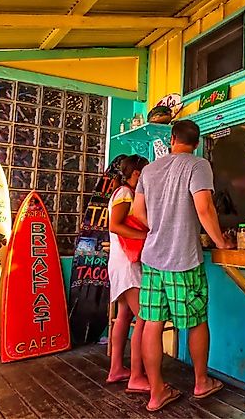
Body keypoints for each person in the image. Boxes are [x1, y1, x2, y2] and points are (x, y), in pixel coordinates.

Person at [132, 119, 233, 412]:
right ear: (197, 143)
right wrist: (221, 242)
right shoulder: (198, 165)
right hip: (182, 259)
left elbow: (138, 212)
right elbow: (204, 208)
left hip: (152, 260)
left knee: (152, 322)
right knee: (196, 320)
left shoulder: (149, 170)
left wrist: (159, 227)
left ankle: (156, 392)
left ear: (172, 138)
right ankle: (201, 382)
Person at [106, 154, 151, 393]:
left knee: (124, 316)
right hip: (128, 263)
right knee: (144, 317)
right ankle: (136, 375)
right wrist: (147, 237)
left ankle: (116, 369)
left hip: (122, 262)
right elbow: (115, 225)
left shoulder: (124, 193)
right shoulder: (125, 193)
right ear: (136, 174)